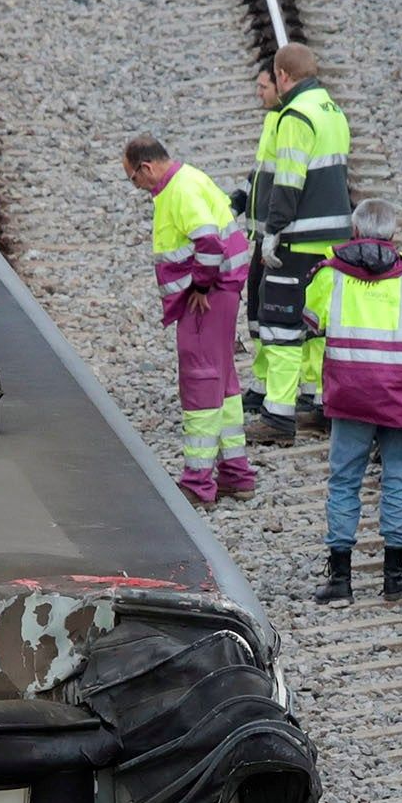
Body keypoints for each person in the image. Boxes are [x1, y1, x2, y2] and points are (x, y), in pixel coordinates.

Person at [304, 202, 402, 603]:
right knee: (396, 480)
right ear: (392, 235)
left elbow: (309, 321)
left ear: (354, 230)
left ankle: (340, 580)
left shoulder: (330, 276)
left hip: (350, 396)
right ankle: (394, 576)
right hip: (400, 399)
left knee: (344, 481)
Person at [123, 136, 256, 503]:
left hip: (207, 299)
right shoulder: (189, 179)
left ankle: (198, 482)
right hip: (222, 292)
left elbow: (209, 242)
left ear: (146, 168)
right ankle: (236, 472)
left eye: (133, 179)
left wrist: (200, 286)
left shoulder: (179, 191)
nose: (137, 186)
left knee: (201, 380)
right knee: (224, 380)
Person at [245, 44, 353, 446]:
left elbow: (289, 179)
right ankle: (318, 402)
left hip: (299, 237)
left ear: (283, 76)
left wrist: (273, 230)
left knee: (281, 326)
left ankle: (278, 415)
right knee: (315, 326)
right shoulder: (332, 111)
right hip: (330, 240)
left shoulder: (295, 115)